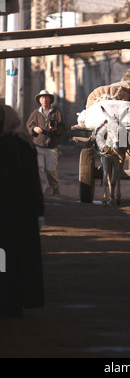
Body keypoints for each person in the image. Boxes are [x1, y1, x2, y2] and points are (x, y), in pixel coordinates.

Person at [0, 104, 44, 317]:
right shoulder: (24, 146)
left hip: (7, 218)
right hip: (19, 217)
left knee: (3, 260)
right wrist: (38, 211)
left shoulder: (19, 147)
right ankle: (13, 302)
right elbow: (33, 183)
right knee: (17, 260)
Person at [26, 89, 66, 195]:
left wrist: (56, 128)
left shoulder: (56, 112)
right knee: (40, 168)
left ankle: (55, 186)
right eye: (42, 98)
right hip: (38, 145)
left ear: (50, 99)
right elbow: (29, 124)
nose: (44, 100)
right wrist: (34, 129)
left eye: (46, 98)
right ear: (39, 100)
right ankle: (42, 190)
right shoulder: (36, 113)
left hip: (52, 146)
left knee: (50, 170)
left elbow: (63, 129)